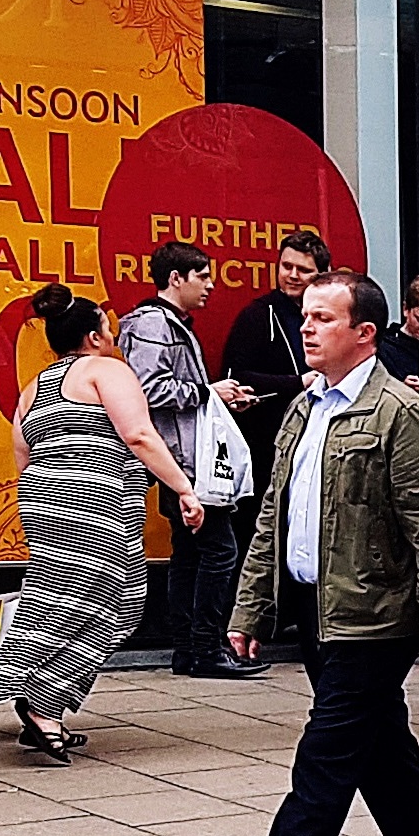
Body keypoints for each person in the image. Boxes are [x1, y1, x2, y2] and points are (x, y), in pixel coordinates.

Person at [184, 271, 419, 836]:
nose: (306, 328)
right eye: (305, 317)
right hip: (318, 613)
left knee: (322, 769)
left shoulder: (402, 416)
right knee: (386, 762)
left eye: (322, 318)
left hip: (373, 622)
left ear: (364, 333)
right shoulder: (305, 408)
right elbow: (273, 521)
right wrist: (252, 605)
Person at [0, 284, 204, 765]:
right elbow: (139, 434)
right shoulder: (107, 370)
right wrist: (183, 487)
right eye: (110, 326)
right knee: (116, 606)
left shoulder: (34, 387)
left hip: (42, 498)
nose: (116, 333)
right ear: (93, 336)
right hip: (92, 496)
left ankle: (44, 701)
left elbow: (22, 455)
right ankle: (44, 707)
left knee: (57, 604)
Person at [120, 240, 267, 680]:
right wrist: (209, 393)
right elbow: (148, 391)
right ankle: (206, 647)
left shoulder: (166, 322)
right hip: (184, 459)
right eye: (202, 276)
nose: (210, 285)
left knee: (189, 552)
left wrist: (219, 401)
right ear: (175, 279)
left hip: (180, 454)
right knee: (219, 551)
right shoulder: (154, 324)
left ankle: (189, 649)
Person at [223, 231, 332, 575]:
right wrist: (296, 384)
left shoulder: (328, 316)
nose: (293, 275)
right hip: (265, 442)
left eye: (304, 269)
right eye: (286, 266)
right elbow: (235, 376)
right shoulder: (257, 315)